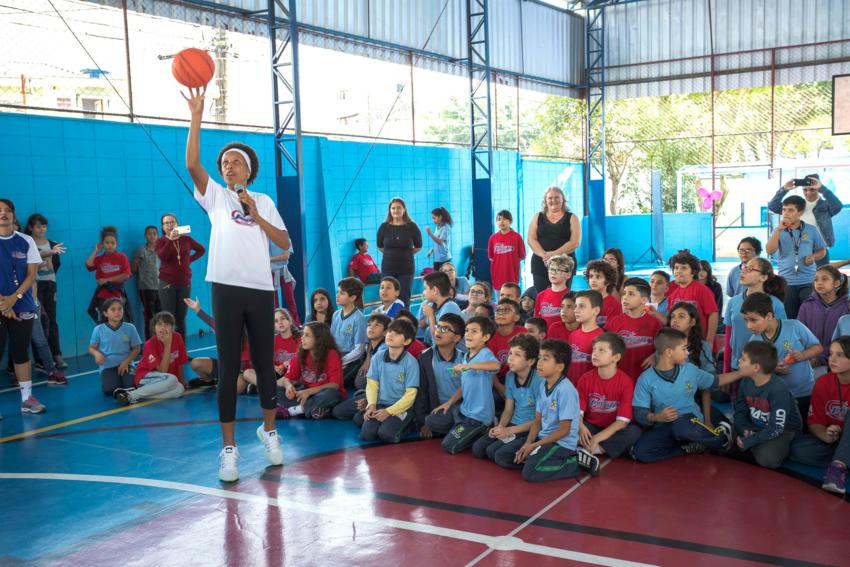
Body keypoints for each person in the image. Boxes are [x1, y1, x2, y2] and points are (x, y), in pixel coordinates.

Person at [185, 86, 290, 481]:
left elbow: (284, 242)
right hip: (225, 287)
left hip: (261, 289)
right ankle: (228, 449)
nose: (228, 167)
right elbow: (193, 163)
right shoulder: (215, 198)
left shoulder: (261, 200)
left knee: (265, 365)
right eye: (224, 163)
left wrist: (256, 215)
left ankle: (270, 432)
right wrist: (196, 114)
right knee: (228, 367)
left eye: (234, 163)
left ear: (248, 170)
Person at [631, 329, 742, 463]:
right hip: (665, 425)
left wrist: (741, 373)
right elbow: (639, 412)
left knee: (682, 427)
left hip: (690, 422)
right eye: (683, 348)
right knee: (641, 452)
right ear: (668, 352)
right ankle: (689, 447)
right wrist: (657, 417)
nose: (687, 352)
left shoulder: (689, 369)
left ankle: (722, 440)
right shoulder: (646, 378)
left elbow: (715, 380)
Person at [515, 339, 600, 481]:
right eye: (539, 358)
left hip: (561, 443)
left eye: (545, 359)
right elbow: (537, 421)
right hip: (544, 439)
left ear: (559, 366)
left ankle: (576, 461)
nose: (539, 363)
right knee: (502, 456)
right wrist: (527, 444)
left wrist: (534, 446)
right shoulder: (543, 385)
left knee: (530, 472)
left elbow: (564, 430)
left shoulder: (566, 390)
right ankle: (536, 456)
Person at [742, 292, 822, 425]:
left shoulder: (794, 326)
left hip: (804, 392)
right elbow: (753, 371)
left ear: (768, 316)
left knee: (804, 428)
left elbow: (818, 348)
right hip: (776, 396)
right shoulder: (754, 341)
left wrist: (803, 355)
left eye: (753, 320)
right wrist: (772, 369)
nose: (749, 326)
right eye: (746, 320)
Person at [0, 199, 47, 414]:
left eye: (8, 210)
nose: (3, 214)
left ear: (13, 215)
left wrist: (14, 298)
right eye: (0, 211)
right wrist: (3, 302)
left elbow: (31, 275)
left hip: (22, 304)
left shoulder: (26, 240)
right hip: (1, 305)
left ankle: (27, 398)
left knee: (21, 351)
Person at [428, 316, 500, 454]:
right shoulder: (466, 356)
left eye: (474, 331)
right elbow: (464, 385)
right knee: (432, 420)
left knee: (448, 446)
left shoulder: (485, 353)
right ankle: (464, 429)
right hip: (464, 410)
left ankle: (484, 427)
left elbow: (495, 365)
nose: (468, 334)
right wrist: (449, 403)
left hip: (478, 416)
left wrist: (469, 366)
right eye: (467, 331)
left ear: (485, 337)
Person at [789, 336, 850, 495]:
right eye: (831, 354)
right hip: (835, 441)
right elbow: (815, 421)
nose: (832, 359)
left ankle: (837, 467)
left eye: (840, 355)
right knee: (796, 449)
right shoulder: (823, 382)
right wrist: (827, 435)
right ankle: (843, 460)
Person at [473, 333, 540, 467]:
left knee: (498, 455)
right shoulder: (510, 376)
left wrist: (509, 431)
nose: (510, 359)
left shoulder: (539, 380)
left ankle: (533, 455)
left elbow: (540, 420)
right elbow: (508, 409)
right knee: (478, 449)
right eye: (510, 353)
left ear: (531, 361)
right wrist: (501, 427)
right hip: (513, 424)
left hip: (530, 429)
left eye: (517, 355)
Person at [731, 342, 802, 469]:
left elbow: (777, 427)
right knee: (725, 436)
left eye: (743, 359)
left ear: (756, 367)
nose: (739, 361)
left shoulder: (778, 389)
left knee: (768, 458)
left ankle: (763, 446)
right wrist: (744, 430)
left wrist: (750, 440)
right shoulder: (746, 381)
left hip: (784, 430)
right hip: (757, 426)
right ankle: (755, 444)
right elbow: (740, 411)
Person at [577, 333, 643, 459]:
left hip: (614, 429)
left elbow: (622, 422)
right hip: (591, 426)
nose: (595, 354)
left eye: (601, 350)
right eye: (594, 350)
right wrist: (580, 426)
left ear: (616, 357)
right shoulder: (585, 379)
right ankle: (593, 447)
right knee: (568, 425)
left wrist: (596, 439)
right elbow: (578, 412)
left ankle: (596, 449)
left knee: (634, 432)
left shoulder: (626, 382)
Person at [355, 318, 420, 443]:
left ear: (407, 341)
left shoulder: (411, 363)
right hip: (380, 404)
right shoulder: (378, 357)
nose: (391, 334)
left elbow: (410, 396)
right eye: (390, 331)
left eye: (397, 333)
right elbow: (372, 385)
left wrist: (389, 412)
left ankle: (410, 423)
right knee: (367, 435)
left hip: (402, 408)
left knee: (386, 434)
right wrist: (372, 405)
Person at [724, 257, 787, 378]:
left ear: (763, 277)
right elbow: (729, 339)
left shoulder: (775, 304)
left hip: (765, 368)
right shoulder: (733, 302)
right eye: (744, 268)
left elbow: (782, 336)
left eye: (750, 269)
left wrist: (778, 362)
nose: (743, 271)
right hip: (738, 366)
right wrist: (726, 368)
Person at [766, 194, 826, 319]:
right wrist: (777, 230)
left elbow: (822, 251)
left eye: (791, 210)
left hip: (808, 281)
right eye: (784, 209)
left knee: (809, 316)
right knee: (789, 317)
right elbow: (770, 250)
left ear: (800, 212)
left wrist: (813, 256)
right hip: (786, 281)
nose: (786, 213)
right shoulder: (778, 230)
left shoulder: (811, 230)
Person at [114, 311, 189, 406]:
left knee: (179, 390)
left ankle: (141, 394)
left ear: (172, 327)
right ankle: (130, 395)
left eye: (167, 324)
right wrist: (167, 345)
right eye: (159, 324)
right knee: (173, 379)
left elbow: (179, 362)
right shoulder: (149, 344)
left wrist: (182, 381)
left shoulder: (177, 337)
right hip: (145, 378)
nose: (163, 328)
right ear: (154, 328)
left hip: (164, 380)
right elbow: (162, 370)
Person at [768, 174, 843, 266]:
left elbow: (838, 206)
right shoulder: (797, 205)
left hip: (819, 250)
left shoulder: (825, 206)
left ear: (818, 189)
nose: (808, 193)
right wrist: (784, 189)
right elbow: (773, 206)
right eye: (805, 190)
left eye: (812, 189)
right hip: (797, 247)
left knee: (821, 276)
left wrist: (822, 189)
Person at [24, 213, 67, 368]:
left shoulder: (52, 243)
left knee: (52, 320)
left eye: (43, 226)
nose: (41, 229)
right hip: (34, 286)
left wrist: (49, 259)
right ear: (30, 228)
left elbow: (55, 265)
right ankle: (40, 359)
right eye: (37, 226)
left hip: (50, 284)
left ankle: (57, 355)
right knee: (37, 320)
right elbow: (29, 263)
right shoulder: (27, 243)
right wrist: (43, 259)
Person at [279, 322, 345, 419]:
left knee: (332, 395)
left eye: (307, 335)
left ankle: (296, 410)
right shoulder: (301, 354)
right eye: (302, 334)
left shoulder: (331, 354)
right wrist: (289, 386)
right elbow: (287, 378)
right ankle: (315, 408)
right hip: (307, 394)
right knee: (276, 391)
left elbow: (335, 385)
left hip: (323, 393)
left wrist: (309, 391)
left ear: (318, 339)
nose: (302, 338)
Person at [414, 313, 465, 439]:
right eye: (438, 327)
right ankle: (459, 429)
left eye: (445, 329)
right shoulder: (425, 357)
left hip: (460, 408)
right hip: (438, 410)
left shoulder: (465, 358)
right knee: (431, 421)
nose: (438, 331)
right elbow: (421, 392)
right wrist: (423, 422)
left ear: (457, 338)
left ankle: (464, 426)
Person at [156, 213, 205, 340]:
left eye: (172, 222)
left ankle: (182, 349)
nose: (170, 225)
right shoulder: (161, 241)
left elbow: (201, 250)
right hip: (167, 283)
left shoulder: (186, 239)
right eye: (166, 223)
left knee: (181, 318)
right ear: (163, 227)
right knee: (168, 317)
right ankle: (169, 348)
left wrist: (188, 260)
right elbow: (163, 256)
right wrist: (170, 240)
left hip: (184, 282)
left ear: (177, 224)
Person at [605, 277, 662, 382]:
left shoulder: (654, 323)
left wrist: (655, 356)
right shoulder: (614, 322)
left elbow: (661, 347)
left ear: (644, 300)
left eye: (631, 294)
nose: (625, 297)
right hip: (619, 376)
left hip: (646, 378)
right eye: (624, 293)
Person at [527, 186, 581, 291]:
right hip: (540, 264)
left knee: (562, 298)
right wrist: (544, 255)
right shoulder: (537, 217)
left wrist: (553, 254)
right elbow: (531, 239)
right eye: (550, 198)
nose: (553, 200)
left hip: (564, 265)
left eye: (557, 197)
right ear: (545, 201)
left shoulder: (572, 218)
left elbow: (575, 242)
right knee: (542, 298)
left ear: (563, 199)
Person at [798, 266, 849, 375]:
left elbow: (845, 340)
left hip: (839, 361)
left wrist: (822, 357)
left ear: (836, 283)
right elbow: (799, 335)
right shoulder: (806, 305)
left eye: (825, 279)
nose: (819, 283)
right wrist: (808, 355)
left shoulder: (846, 307)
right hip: (810, 359)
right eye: (816, 280)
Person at [89, 298, 142, 396]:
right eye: (113, 309)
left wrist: (126, 362)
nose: (117, 312)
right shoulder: (98, 329)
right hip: (108, 366)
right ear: (105, 313)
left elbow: (137, 348)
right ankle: (112, 380)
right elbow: (91, 348)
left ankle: (126, 379)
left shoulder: (130, 328)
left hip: (126, 364)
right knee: (111, 390)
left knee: (132, 386)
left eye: (120, 309)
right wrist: (97, 354)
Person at [376, 197, 422, 307]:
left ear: (404, 209)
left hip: (406, 268)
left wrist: (405, 254)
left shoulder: (412, 226)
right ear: (390, 210)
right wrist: (392, 254)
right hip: (388, 268)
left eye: (398, 208)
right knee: (387, 298)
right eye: (393, 208)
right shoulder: (384, 227)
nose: (396, 210)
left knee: (404, 298)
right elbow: (380, 246)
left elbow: (418, 246)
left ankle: (404, 322)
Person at [666, 249, 718, 347]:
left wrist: (709, 341)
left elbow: (713, 314)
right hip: (681, 345)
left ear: (693, 272)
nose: (678, 271)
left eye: (684, 268)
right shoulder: (673, 294)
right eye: (676, 268)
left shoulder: (702, 290)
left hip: (701, 343)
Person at [85, 226, 132, 322]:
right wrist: (96, 251)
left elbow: (126, 275)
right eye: (107, 243)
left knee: (119, 321)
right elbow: (88, 265)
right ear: (102, 244)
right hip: (103, 296)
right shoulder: (100, 259)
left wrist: (107, 280)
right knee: (104, 322)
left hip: (117, 294)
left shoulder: (122, 257)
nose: (109, 245)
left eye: (112, 243)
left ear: (116, 244)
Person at [331, 277, 368, 388]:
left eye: (342, 293)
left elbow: (359, 350)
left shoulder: (359, 318)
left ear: (352, 298)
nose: (337, 295)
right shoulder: (336, 314)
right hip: (336, 356)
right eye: (338, 292)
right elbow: (331, 340)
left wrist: (341, 361)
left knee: (335, 382)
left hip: (351, 359)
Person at [567, 290, 603, 385]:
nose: (576, 310)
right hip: (572, 388)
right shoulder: (573, 335)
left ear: (596, 311)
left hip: (590, 389)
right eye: (575, 306)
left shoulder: (602, 338)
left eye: (581, 306)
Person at [132, 225, 161, 339]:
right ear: (145, 235)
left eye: (154, 233)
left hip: (159, 287)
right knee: (149, 316)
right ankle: (149, 342)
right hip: (146, 287)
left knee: (161, 315)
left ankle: (161, 339)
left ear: (157, 236)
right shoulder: (141, 250)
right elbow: (133, 268)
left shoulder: (160, 250)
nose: (152, 236)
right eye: (149, 233)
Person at [487, 299, 527, 382]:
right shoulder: (490, 337)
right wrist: (499, 387)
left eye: (507, 310)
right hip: (497, 379)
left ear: (516, 317)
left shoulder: (524, 333)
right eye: (498, 310)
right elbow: (488, 368)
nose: (501, 313)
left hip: (520, 375)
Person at [420, 271, 463, 346]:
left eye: (425, 288)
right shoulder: (433, 305)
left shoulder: (450, 307)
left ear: (435, 290)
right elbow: (421, 326)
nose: (423, 292)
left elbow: (440, 340)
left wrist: (430, 316)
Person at [488, 210, 526, 293]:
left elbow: (522, 256)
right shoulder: (493, 238)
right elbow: (491, 257)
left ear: (510, 221)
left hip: (511, 275)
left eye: (504, 219)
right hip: (497, 275)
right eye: (499, 219)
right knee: (500, 302)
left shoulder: (517, 237)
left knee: (512, 300)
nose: (501, 221)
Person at [534, 254, 573, 329]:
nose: (553, 272)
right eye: (551, 269)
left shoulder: (572, 296)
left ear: (568, 275)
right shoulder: (541, 295)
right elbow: (537, 322)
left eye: (558, 270)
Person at [584, 259, 622, 326]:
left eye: (598, 277)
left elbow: (613, 330)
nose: (593, 280)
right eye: (591, 276)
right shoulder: (582, 299)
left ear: (608, 281)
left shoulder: (613, 305)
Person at [698, 260, 723, 333]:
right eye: (699, 270)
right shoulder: (692, 286)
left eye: (704, 270)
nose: (701, 272)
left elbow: (718, 306)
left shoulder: (715, 286)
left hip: (711, 318)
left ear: (708, 272)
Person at [425, 207, 452, 271]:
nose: (433, 220)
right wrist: (432, 250)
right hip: (437, 258)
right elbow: (437, 242)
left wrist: (430, 233)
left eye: (434, 218)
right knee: (437, 278)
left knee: (443, 278)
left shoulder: (446, 228)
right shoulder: (438, 227)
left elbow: (440, 242)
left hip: (444, 258)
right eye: (432, 218)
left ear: (440, 217)